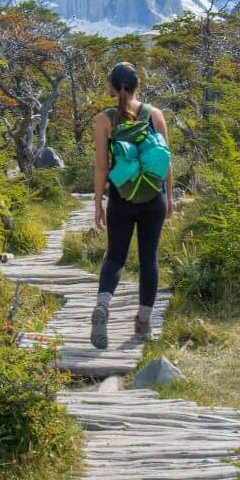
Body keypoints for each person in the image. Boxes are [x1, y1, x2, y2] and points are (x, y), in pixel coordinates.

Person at [90, 61, 173, 349]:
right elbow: (165, 161)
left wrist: (99, 203)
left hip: (122, 197)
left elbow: (102, 167)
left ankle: (103, 305)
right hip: (153, 196)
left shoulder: (104, 119)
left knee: (115, 257)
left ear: (112, 88)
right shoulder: (155, 115)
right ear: (138, 86)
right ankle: (144, 322)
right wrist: (170, 198)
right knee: (149, 258)